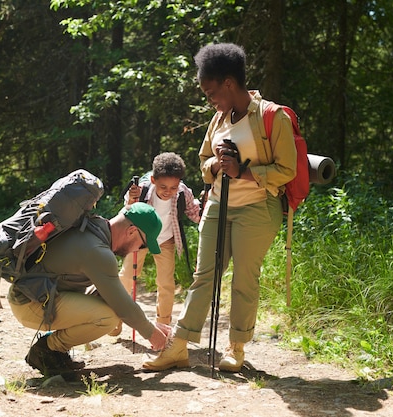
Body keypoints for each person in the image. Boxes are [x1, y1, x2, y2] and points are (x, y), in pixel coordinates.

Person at [142, 43, 297, 372]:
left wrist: (243, 171)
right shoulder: (219, 118)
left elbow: (288, 169)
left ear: (229, 83)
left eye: (211, 92)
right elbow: (202, 163)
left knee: (244, 279)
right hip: (217, 204)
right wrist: (216, 163)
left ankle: (236, 348)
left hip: (257, 208)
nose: (210, 100)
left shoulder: (273, 116)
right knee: (204, 276)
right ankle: (178, 347)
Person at [7, 202, 171, 378]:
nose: (137, 251)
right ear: (131, 231)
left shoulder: (93, 228)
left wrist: (150, 325)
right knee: (107, 318)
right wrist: (152, 334)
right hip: (29, 303)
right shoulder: (97, 251)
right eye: (141, 245)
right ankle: (46, 350)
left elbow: (113, 296)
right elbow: (122, 307)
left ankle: (54, 349)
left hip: (33, 295)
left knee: (105, 304)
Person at [110, 152, 201, 336]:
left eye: (173, 187)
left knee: (166, 283)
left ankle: (163, 328)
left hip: (165, 239)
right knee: (127, 276)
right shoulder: (141, 189)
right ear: (153, 180)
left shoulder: (183, 192)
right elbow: (127, 212)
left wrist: (206, 206)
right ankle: (115, 319)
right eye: (163, 186)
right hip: (139, 239)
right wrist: (131, 199)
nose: (168, 191)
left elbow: (195, 213)